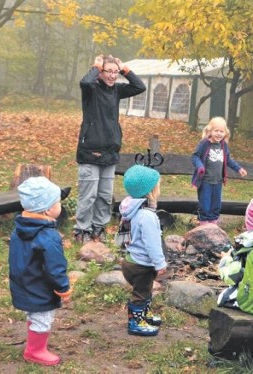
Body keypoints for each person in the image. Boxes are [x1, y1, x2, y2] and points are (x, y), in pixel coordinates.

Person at [74, 54, 146, 243]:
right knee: (88, 195)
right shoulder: (92, 89)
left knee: (105, 196)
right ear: (100, 72)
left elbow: (140, 86)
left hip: (110, 151)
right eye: (109, 71)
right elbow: (84, 82)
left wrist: (125, 70)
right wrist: (96, 67)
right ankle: (82, 230)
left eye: (116, 72)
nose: (113, 76)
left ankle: (99, 228)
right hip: (90, 150)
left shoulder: (117, 91)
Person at [9, 176, 72, 366]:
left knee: (34, 314)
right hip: (40, 287)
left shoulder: (18, 229)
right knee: (43, 317)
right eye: (57, 203)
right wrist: (63, 288)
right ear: (47, 209)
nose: (59, 206)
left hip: (23, 282)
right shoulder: (48, 236)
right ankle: (35, 351)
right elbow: (55, 268)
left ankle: (33, 344)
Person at [119, 165, 167, 337]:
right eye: (158, 186)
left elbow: (123, 235)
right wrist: (160, 263)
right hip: (141, 265)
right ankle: (135, 323)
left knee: (145, 291)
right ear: (150, 191)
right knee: (141, 293)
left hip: (130, 260)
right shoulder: (147, 216)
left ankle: (144, 315)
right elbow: (152, 243)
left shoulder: (130, 209)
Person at [191, 116, 247, 225]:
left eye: (221, 131)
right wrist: (200, 166)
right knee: (205, 205)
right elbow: (195, 157)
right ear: (210, 131)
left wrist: (238, 168)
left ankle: (213, 224)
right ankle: (204, 225)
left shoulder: (223, 145)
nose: (219, 134)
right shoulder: (204, 143)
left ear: (225, 133)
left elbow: (228, 160)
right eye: (216, 131)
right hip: (205, 181)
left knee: (216, 205)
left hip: (218, 181)